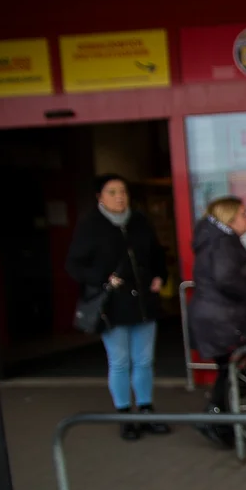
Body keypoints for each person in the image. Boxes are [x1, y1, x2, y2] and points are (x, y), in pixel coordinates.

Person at [66, 174, 170, 441]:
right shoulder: (91, 225)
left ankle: (146, 410)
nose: (119, 196)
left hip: (143, 302)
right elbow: (74, 265)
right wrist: (103, 277)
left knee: (145, 360)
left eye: (123, 191)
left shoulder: (139, 221)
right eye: (112, 192)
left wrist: (160, 276)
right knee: (120, 361)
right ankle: (125, 416)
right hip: (113, 304)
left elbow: (157, 253)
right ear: (100, 197)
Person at [187, 197, 246, 447]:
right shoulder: (222, 242)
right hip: (221, 318)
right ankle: (217, 416)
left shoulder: (217, 240)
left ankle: (221, 418)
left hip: (219, 317)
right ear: (229, 218)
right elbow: (225, 278)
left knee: (230, 370)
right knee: (242, 366)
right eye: (243, 213)